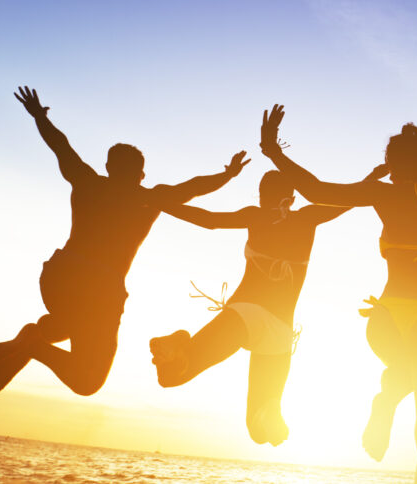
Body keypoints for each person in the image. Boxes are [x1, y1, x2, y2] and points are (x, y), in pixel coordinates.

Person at [0, 86, 248, 396]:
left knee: (68, 323)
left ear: (108, 168)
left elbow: (61, 146)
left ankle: (31, 336)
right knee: (88, 381)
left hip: (59, 279)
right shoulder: (149, 198)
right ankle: (32, 344)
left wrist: (39, 116)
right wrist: (228, 174)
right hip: (101, 291)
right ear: (142, 175)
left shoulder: (86, 181)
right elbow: (194, 187)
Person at [259, 104, 417, 483]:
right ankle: (388, 396)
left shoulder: (384, 195)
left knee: (409, 371)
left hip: (387, 323)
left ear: (392, 166)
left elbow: (316, 190)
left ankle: (387, 396)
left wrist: (273, 151)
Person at [149, 164, 388, 446]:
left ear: (261, 195)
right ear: (294, 196)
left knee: (173, 375)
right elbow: (345, 202)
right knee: (261, 433)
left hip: (245, 315)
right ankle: (271, 413)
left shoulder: (256, 215)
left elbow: (208, 219)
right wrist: (371, 178)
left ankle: (180, 345)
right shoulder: (308, 217)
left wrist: (160, 202)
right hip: (280, 333)